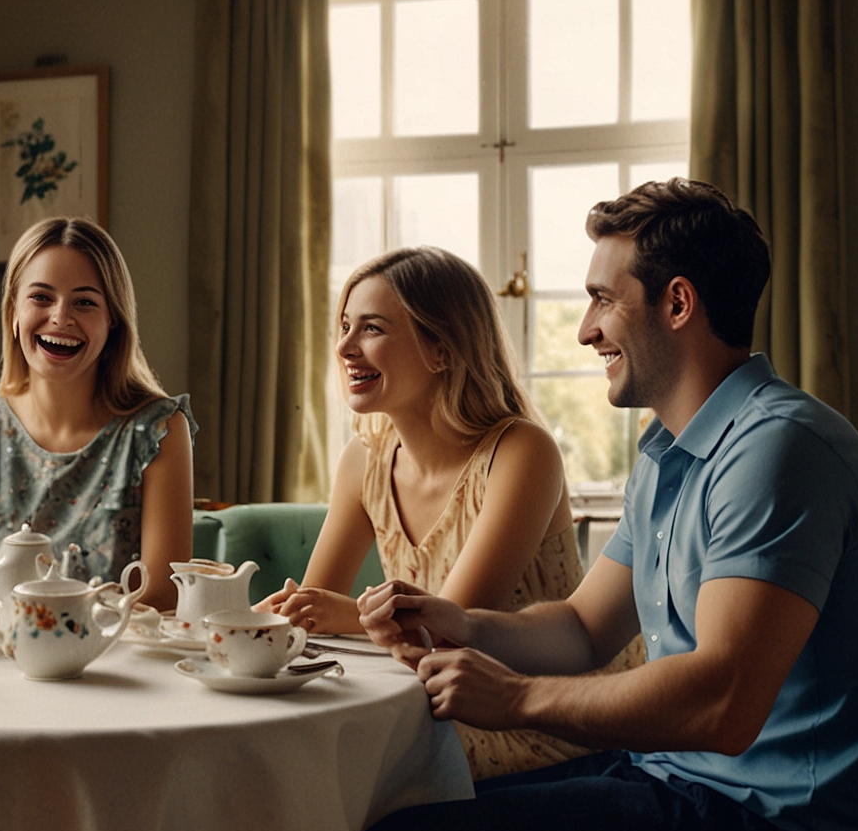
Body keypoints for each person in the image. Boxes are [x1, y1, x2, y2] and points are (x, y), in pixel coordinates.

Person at [352, 179, 858, 831]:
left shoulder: (776, 451)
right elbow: (579, 626)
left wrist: (516, 701)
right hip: (698, 793)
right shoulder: (674, 449)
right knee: (415, 818)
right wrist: (458, 621)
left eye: (603, 300)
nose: (583, 331)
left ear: (678, 303)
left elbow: (723, 705)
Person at [262, 246, 640, 779]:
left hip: (557, 741)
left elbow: (447, 632)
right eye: (344, 326)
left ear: (441, 349)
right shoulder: (363, 461)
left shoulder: (520, 452)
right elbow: (310, 617)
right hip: (435, 721)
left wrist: (339, 613)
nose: (344, 347)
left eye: (370, 328)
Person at [0, 217, 193, 610]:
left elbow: (163, 598)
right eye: (41, 297)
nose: (61, 317)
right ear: (13, 310)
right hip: (6, 662)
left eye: (84, 302)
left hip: (121, 661)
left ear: (113, 319)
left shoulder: (159, 429)